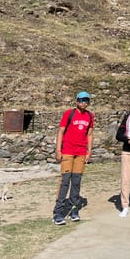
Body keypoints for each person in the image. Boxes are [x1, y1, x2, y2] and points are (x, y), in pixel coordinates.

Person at [52, 91, 95, 225]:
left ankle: (74, 210)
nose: (84, 102)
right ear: (76, 101)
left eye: (86, 100)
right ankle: (58, 212)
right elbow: (61, 132)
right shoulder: (69, 114)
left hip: (81, 153)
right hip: (68, 152)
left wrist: (89, 151)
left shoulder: (90, 116)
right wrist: (58, 150)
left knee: (76, 181)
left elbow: (90, 134)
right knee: (65, 181)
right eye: (81, 100)